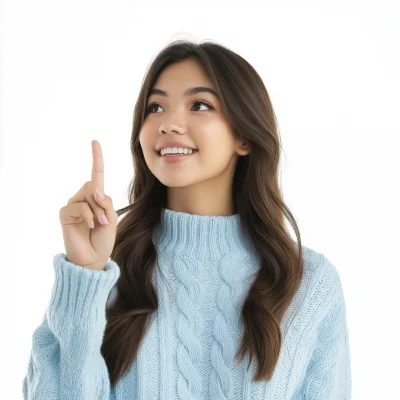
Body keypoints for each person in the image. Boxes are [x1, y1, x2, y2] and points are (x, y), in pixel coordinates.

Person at [22, 39, 351, 399]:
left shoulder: (309, 282)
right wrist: (84, 275)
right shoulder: (103, 273)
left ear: (244, 135)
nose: (168, 124)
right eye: (155, 107)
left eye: (199, 105)